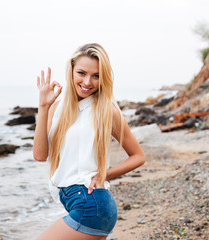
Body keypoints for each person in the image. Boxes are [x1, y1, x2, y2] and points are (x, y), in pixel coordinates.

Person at [33, 43, 145, 240]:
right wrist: (43, 106)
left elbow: (138, 156)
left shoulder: (106, 111)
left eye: (96, 75)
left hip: (91, 205)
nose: (88, 81)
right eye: (82, 73)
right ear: (72, 71)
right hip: (77, 203)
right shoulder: (55, 108)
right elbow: (40, 155)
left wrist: (104, 174)